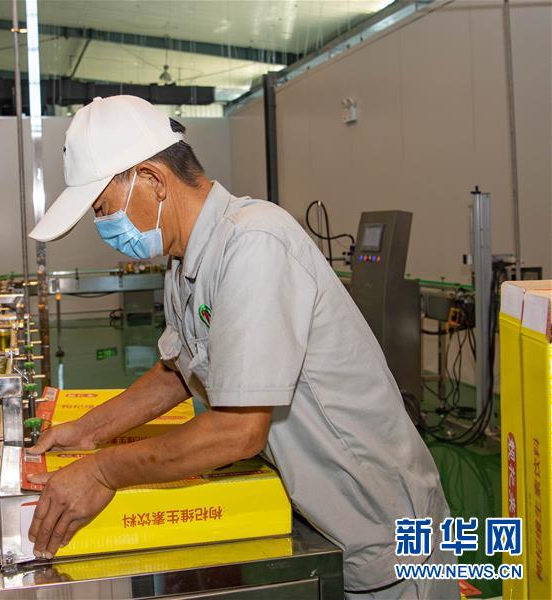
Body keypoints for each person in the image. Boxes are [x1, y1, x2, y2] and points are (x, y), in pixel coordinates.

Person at [25, 95, 457, 599]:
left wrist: (102, 472)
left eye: (103, 210)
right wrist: (86, 431)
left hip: (385, 527)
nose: (104, 229)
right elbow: (177, 371)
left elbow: (238, 430)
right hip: (323, 515)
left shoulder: (255, 242)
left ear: (153, 180)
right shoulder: (183, 262)